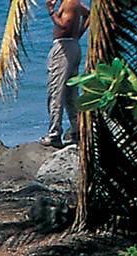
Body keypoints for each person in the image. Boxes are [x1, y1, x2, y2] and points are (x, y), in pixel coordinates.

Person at [43, 0, 89, 148]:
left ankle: (54, 134)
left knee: (56, 91)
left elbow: (64, 24)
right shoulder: (76, 3)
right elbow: (89, 15)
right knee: (71, 92)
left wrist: (51, 10)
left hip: (63, 48)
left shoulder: (69, 3)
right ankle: (76, 131)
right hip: (72, 45)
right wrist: (79, 34)